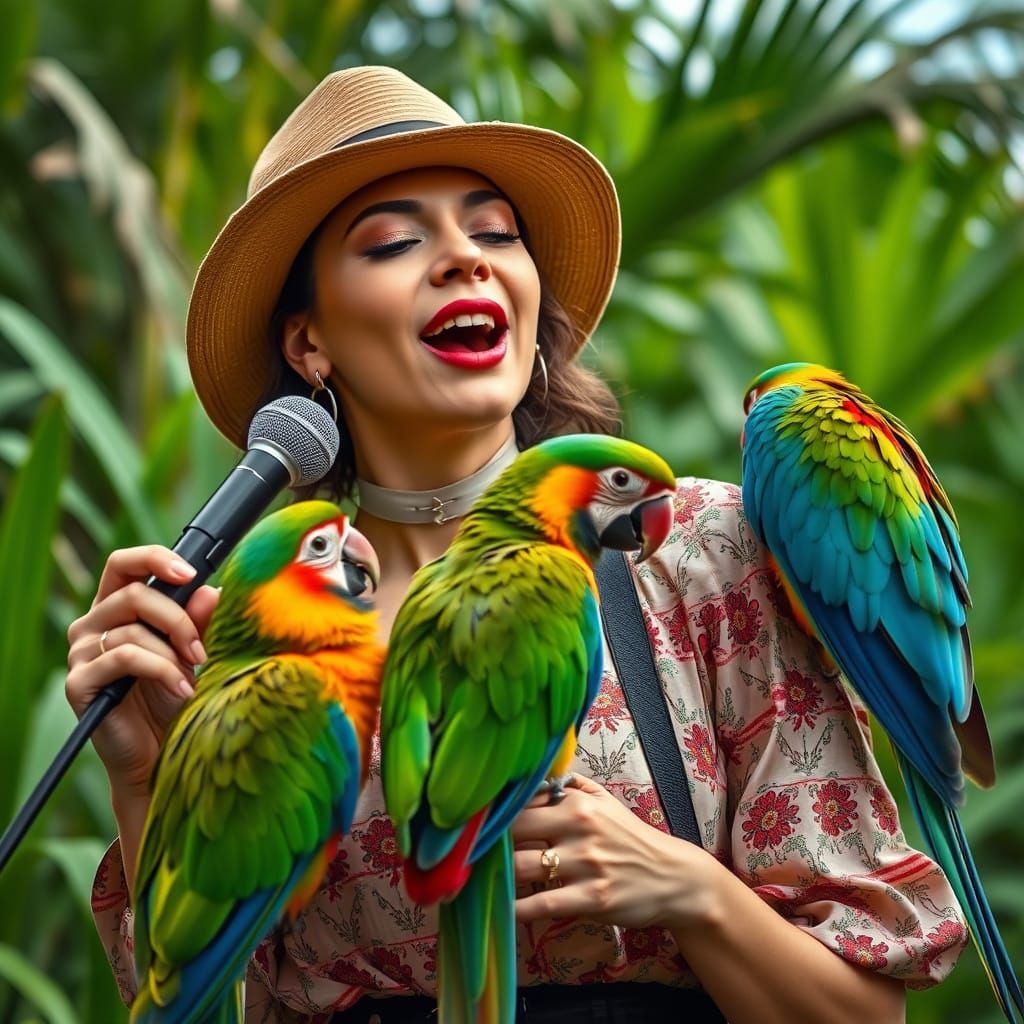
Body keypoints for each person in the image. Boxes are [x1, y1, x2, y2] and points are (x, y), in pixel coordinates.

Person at [69, 66, 967, 1023]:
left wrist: (689, 891)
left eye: (497, 233)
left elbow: (868, 1015)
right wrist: (147, 780)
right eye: (395, 242)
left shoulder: (704, 555)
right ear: (308, 345)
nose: (465, 258)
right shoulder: (248, 641)